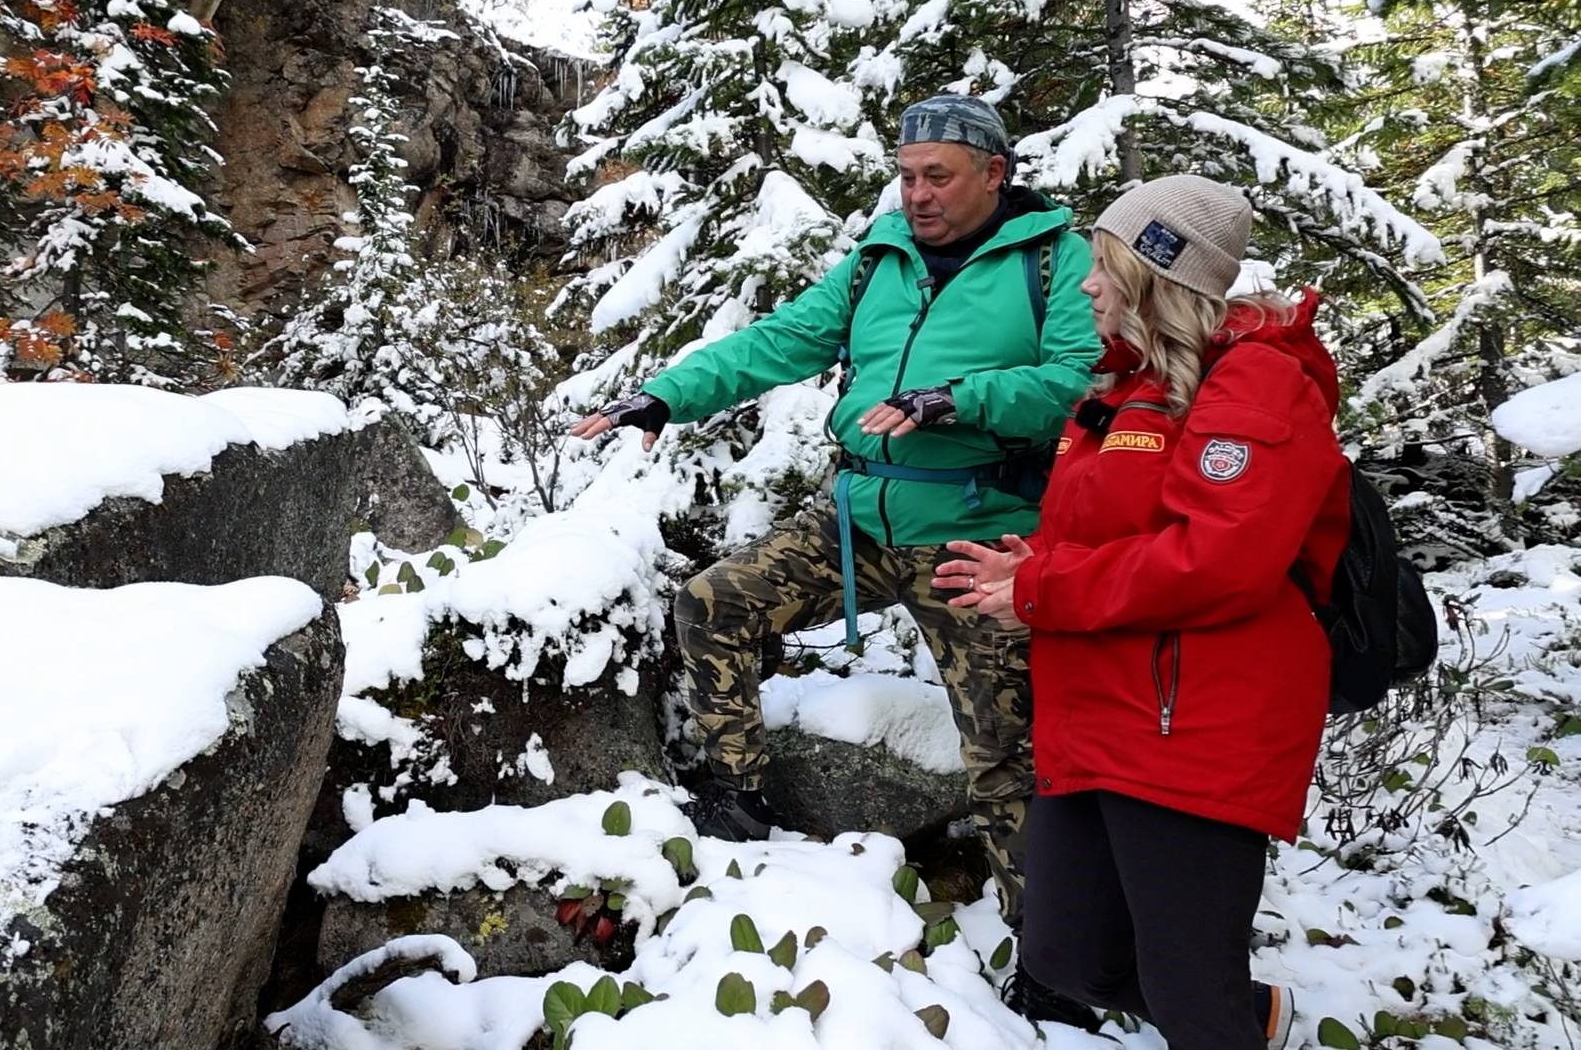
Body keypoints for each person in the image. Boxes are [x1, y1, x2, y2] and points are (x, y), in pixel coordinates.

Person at [570, 94, 1101, 1027]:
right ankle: (739, 789)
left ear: (994, 176)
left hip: (978, 531)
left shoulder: (1055, 259)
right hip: (859, 511)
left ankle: (1054, 955)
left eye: (938, 176)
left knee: (1008, 747)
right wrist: (662, 399)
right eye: (906, 174)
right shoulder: (878, 261)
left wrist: (956, 401)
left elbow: (1076, 382)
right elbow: (779, 342)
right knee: (714, 601)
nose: (917, 193)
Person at [934, 174, 1351, 1049]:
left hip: (1199, 724)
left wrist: (1047, 591)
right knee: (1063, 954)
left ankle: (1228, 1025)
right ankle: (1251, 1020)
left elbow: (1220, 560)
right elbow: (1122, 531)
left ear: (1158, 275)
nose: (1086, 284)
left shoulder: (1260, 385)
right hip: (1101, 713)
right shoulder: (1125, 392)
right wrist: (1031, 565)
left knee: (1188, 989)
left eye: (1105, 265)